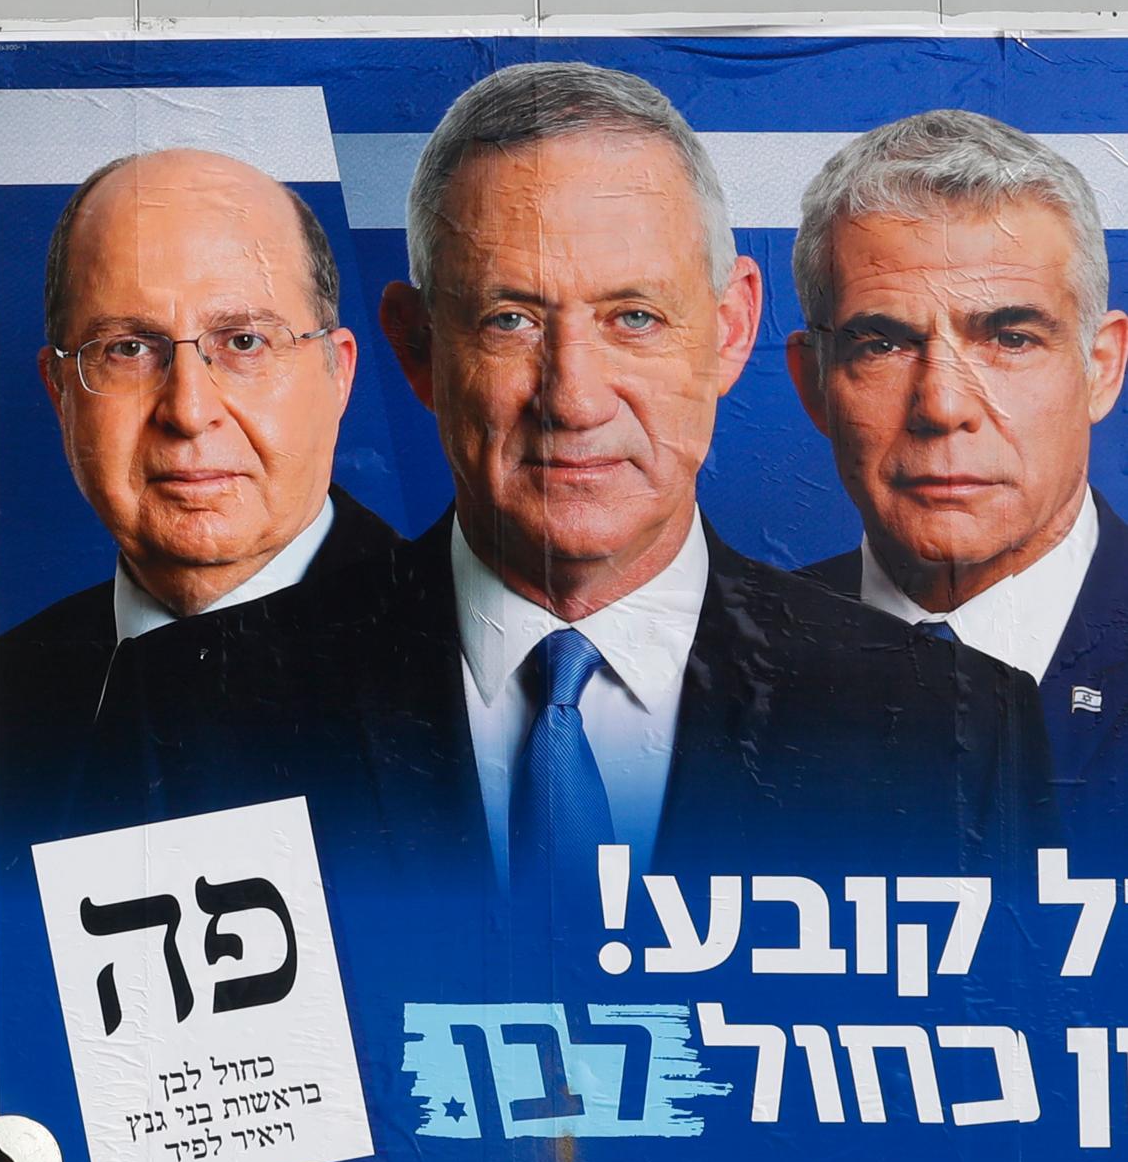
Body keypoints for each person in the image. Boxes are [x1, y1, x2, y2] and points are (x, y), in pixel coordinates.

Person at [364, 62, 1050, 916]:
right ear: (418, 348)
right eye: (512, 319)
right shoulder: (208, 698)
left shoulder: (954, 730)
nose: (574, 398)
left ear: (730, 331)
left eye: (635, 317)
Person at [0, 147, 401, 837]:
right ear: (59, 391)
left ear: (338, 376)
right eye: (126, 348)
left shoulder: (483, 673)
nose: (187, 410)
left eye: (244, 340)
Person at [787, 110, 1128, 847]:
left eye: (1009, 338)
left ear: (1101, 367)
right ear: (813, 384)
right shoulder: (703, 666)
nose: (941, 406)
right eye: (882, 344)